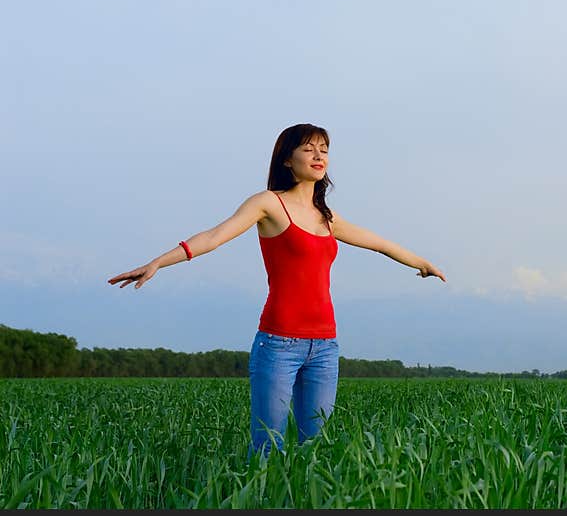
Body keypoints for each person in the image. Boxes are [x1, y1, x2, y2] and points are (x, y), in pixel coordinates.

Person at [107, 123, 446, 459]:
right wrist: (158, 262)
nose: (318, 155)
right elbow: (214, 236)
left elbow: (379, 243)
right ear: (287, 158)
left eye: (324, 149)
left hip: (325, 346)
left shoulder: (327, 217)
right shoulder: (268, 204)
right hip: (279, 343)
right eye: (308, 148)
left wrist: (420, 262)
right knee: (268, 448)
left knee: (316, 449)